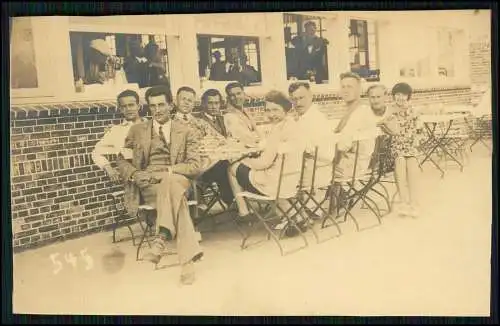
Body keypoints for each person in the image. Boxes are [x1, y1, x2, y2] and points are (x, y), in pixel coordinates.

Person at [116, 85, 203, 285]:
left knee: (171, 183)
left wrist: (169, 171)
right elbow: (122, 160)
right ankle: (187, 262)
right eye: (153, 106)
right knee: (176, 200)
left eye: (162, 104)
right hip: (150, 183)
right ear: (148, 107)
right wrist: (135, 174)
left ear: (171, 105)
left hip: (178, 178)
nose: (158, 110)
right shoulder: (137, 130)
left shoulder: (186, 131)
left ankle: (161, 239)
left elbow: (195, 165)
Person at [228, 90, 301, 220]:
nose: (271, 114)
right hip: (291, 179)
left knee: (232, 168)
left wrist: (244, 160)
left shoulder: (277, 130)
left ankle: (244, 212)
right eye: (268, 110)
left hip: (274, 184)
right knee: (252, 167)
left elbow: (264, 163)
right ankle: (293, 216)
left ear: (285, 110)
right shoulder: (292, 125)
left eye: (276, 110)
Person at [379, 82, 421, 217]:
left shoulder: (413, 110)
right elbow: (381, 124)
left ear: (408, 96)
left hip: (410, 145)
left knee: (413, 165)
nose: (400, 97)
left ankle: (414, 203)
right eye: (397, 94)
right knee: (400, 162)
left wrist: (415, 141)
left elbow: (418, 130)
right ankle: (403, 202)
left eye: (403, 95)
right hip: (395, 145)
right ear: (393, 96)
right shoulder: (389, 109)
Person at [91, 89, 147, 183]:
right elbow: (96, 152)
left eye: (131, 105)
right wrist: (108, 168)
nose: (128, 109)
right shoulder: (116, 131)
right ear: (120, 109)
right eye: (124, 106)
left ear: (138, 106)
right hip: (132, 179)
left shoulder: (152, 125)